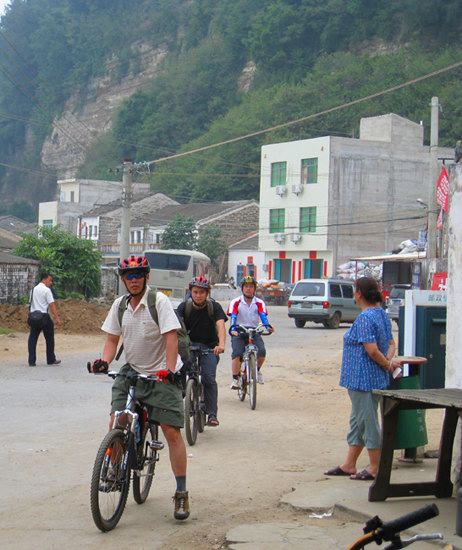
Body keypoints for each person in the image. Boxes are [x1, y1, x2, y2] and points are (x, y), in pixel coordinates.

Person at [90, 255, 190, 520]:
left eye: (137, 275)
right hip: (133, 371)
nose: (133, 280)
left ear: (146, 277)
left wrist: (169, 370)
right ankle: (114, 469)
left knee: (171, 432)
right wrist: (104, 361)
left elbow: (171, 338)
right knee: (118, 419)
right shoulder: (120, 305)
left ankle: (181, 492)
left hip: (161, 373)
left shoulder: (159, 302)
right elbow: (112, 340)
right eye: (128, 276)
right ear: (123, 280)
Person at [324, 277, 401, 481]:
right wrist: (387, 362)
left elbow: (372, 350)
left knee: (367, 422)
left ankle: (375, 466)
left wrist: (386, 363)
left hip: (362, 379)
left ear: (359, 294)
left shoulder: (365, 318)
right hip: (372, 378)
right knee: (358, 420)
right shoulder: (382, 314)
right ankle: (349, 464)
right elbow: (391, 344)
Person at [177, 276, 227, 427]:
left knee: (208, 378)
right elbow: (175, 327)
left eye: (202, 292)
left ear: (207, 293)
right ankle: (181, 399)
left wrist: (221, 345)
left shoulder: (214, 307)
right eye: (195, 292)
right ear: (190, 292)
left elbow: (220, 326)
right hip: (189, 347)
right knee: (179, 369)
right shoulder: (184, 307)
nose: (198, 295)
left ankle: (212, 414)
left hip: (210, 348)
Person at [227, 275, 273, 389]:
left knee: (261, 352)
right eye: (246, 286)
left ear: (254, 289)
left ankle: (256, 370)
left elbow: (263, 316)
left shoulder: (259, 302)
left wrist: (268, 327)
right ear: (242, 288)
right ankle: (235, 379)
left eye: (251, 286)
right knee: (237, 353)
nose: (248, 289)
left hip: (253, 331)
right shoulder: (236, 302)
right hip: (239, 330)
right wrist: (233, 329)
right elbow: (233, 316)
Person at [28, 272, 61, 367]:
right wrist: (57, 318)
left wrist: (29, 315)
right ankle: (50, 359)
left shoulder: (33, 290)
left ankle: (31, 361)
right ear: (44, 279)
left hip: (34, 316)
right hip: (44, 317)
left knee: (32, 338)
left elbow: (30, 304)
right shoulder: (47, 290)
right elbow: (51, 305)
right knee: (49, 338)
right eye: (50, 280)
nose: (51, 282)